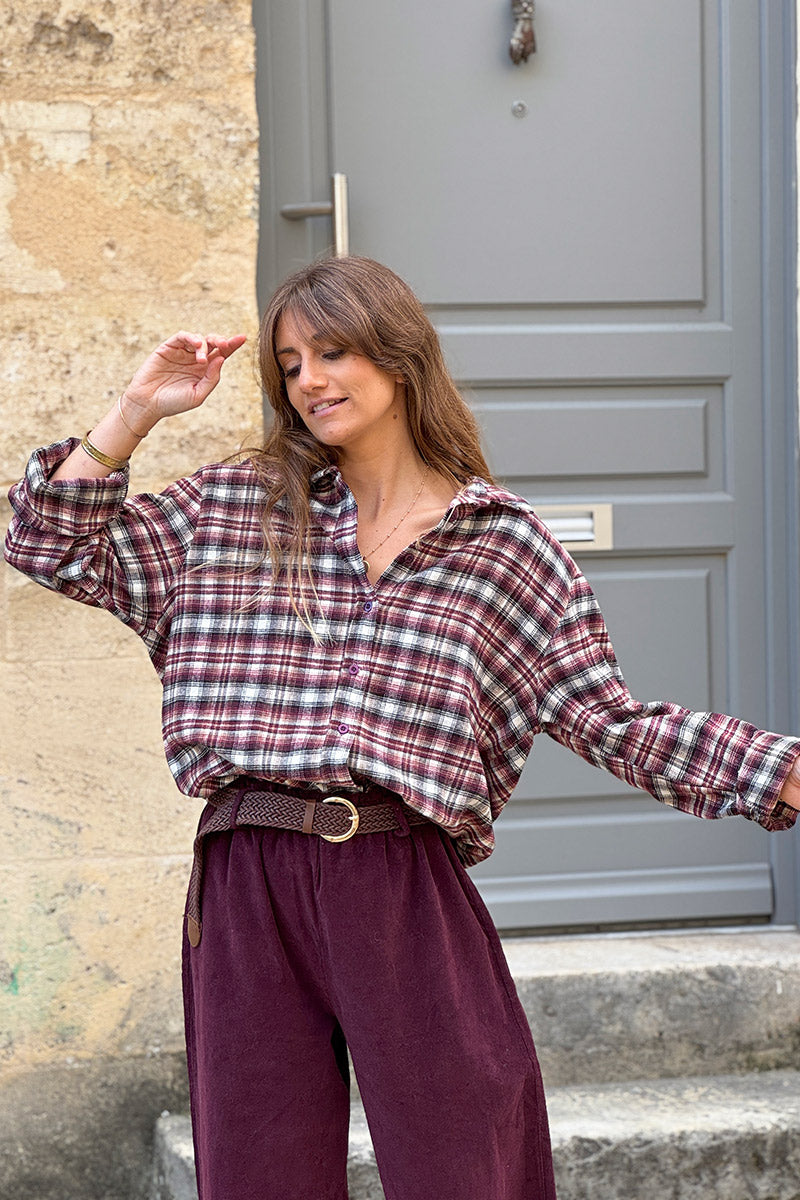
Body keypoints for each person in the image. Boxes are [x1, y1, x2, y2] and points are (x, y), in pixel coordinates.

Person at [5, 254, 800, 1200]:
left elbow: (609, 718)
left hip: (402, 876)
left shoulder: (501, 546)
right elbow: (48, 543)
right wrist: (136, 411)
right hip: (249, 875)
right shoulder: (232, 509)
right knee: (259, 1172)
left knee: (470, 1162)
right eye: (290, 364)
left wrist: (778, 771)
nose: (309, 381)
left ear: (398, 354)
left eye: (333, 352)